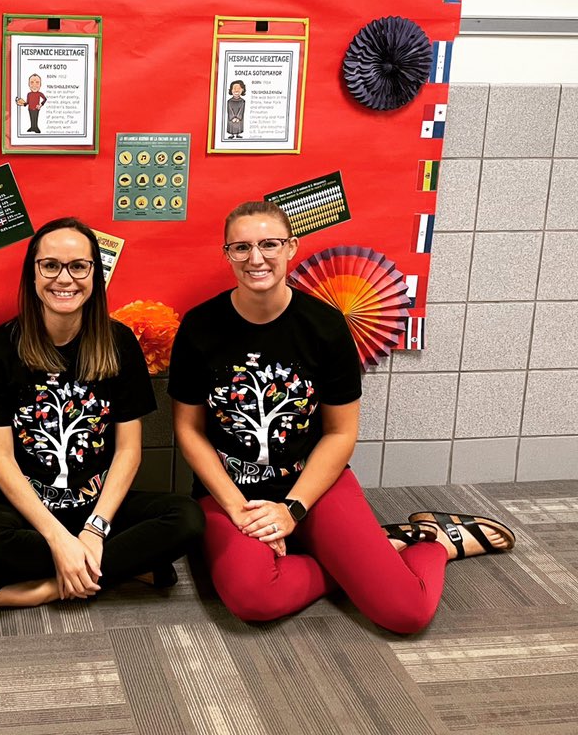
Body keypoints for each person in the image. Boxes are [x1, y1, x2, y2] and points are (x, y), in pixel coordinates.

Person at [169, 201, 514, 634]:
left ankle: (434, 544)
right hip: (231, 494)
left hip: (314, 483)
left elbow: (340, 432)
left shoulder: (325, 326)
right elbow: (189, 430)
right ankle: (379, 551)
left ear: (291, 246)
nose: (256, 258)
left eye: (269, 244)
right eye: (241, 247)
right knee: (253, 599)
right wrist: (237, 508)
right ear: (227, 254)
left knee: (406, 613)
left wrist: (292, 508)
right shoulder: (200, 326)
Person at [0, 217, 204, 614]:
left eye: (78, 266)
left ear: (95, 273)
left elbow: (129, 452)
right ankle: (126, 569)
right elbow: (0, 460)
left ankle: (43, 589)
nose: (65, 279)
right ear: (33, 272)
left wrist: (95, 529)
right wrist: (59, 539)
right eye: (51, 265)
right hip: (28, 511)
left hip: (100, 506)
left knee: (187, 519)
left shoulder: (119, 343)